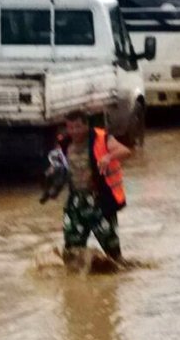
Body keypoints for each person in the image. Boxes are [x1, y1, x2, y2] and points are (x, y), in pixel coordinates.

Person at [56, 109, 132, 263]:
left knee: (113, 254)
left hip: (100, 201)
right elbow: (59, 165)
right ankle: (75, 285)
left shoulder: (101, 138)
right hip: (75, 202)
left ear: (86, 126)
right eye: (70, 127)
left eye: (77, 127)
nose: (73, 131)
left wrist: (108, 157)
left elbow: (125, 151)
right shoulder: (64, 143)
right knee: (71, 252)